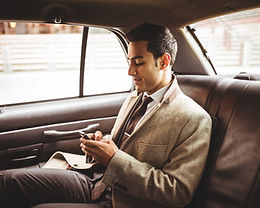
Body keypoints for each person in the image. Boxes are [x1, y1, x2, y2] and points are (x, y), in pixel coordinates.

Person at [0, 22, 212, 208]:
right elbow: (129, 146)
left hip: (123, 201)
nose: (130, 71)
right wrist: (102, 144)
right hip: (96, 180)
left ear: (164, 62)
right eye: (129, 61)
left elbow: (177, 192)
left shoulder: (193, 119)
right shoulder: (135, 97)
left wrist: (113, 158)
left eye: (138, 62)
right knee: (8, 181)